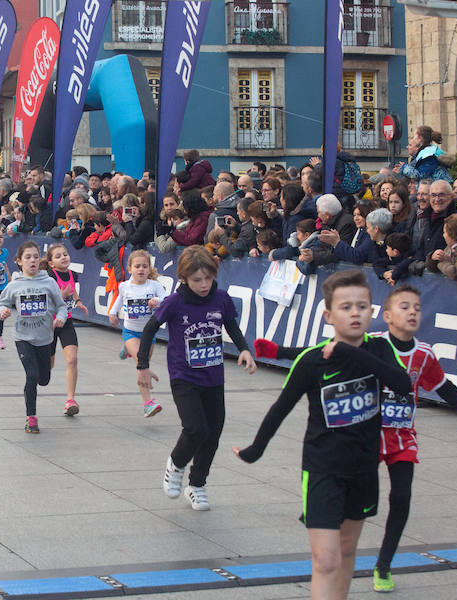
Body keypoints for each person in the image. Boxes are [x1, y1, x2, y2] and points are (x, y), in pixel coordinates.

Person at [254, 285, 457, 593]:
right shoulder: (373, 344)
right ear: (388, 316)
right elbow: (321, 352)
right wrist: (279, 352)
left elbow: (445, 388)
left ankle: (384, 564)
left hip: (402, 437)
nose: (412, 313)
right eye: (405, 307)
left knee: (402, 496)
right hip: (368, 434)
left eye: (417, 308)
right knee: (345, 518)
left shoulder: (424, 354)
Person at [234, 270, 412, 600]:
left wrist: (350, 353)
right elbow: (281, 407)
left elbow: (403, 385)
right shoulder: (311, 360)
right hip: (322, 470)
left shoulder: (380, 350)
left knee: (346, 553)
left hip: (363, 470)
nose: (355, 313)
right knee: (326, 559)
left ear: (372, 312)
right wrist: (256, 448)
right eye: (346, 307)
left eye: (362, 306)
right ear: (329, 315)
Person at [137, 246, 256, 511]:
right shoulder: (175, 302)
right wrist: (142, 365)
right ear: (184, 279)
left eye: (208, 278)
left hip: (214, 377)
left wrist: (245, 349)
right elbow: (149, 330)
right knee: (195, 428)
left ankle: (197, 485)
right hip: (184, 376)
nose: (203, 285)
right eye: (196, 280)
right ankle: (175, 465)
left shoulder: (221, 299)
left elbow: (232, 326)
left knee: (213, 434)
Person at [0, 242, 68, 434]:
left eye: (36, 256)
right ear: (19, 262)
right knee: (32, 376)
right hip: (23, 337)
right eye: (27, 257)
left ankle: (36, 391)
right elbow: (1, 304)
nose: (33, 260)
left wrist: (60, 317)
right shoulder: (14, 285)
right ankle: (31, 417)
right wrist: (2, 311)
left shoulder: (49, 282)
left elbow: (61, 305)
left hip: (44, 338)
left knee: (44, 379)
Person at [109, 250, 168, 417]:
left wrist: (157, 301)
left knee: (143, 363)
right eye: (137, 266)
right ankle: (148, 403)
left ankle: (127, 350)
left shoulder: (154, 286)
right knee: (142, 365)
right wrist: (113, 313)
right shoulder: (125, 286)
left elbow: (167, 300)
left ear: (149, 269)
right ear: (130, 269)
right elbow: (119, 299)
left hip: (149, 334)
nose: (141, 269)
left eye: (144, 266)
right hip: (130, 331)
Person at [43, 244, 88, 416]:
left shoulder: (72, 274)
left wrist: (78, 302)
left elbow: (73, 290)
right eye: (58, 256)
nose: (64, 257)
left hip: (66, 322)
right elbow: (47, 299)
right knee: (49, 364)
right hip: (51, 323)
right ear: (51, 263)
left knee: (72, 360)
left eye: (66, 254)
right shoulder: (49, 277)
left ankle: (70, 400)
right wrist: (60, 298)